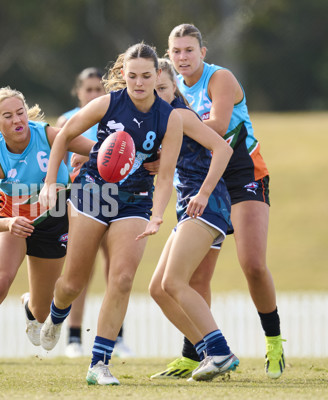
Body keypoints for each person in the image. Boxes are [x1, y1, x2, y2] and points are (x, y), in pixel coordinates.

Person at [38, 43, 183, 385]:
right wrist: (49, 183)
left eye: (147, 76)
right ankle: (57, 315)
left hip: (135, 201)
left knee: (122, 279)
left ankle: (99, 365)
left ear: (158, 75)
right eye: (132, 76)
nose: (139, 82)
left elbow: (165, 175)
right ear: (122, 75)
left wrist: (158, 215)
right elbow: (63, 138)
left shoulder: (170, 117)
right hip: (94, 193)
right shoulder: (106, 103)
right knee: (73, 283)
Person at [151, 23, 285, 380]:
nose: (182, 57)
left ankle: (273, 340)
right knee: (194, 278)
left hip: (242, 174)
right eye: (176, 51)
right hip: (202, 182)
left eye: (189, 50)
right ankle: (197, 353)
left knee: (253, 264)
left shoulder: (219, 78)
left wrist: (169, 139)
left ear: (202, 52)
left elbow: (221, 124)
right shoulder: (168, 87)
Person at [0, 87, 94, 385]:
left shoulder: (49, 134)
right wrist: (9, 223)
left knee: (40, 311)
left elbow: (100, 152)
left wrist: (111, 160)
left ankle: (29, 307)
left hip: (52, 223)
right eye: (8, 116)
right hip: (10, 222)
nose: (17, 120)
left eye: (20, 112)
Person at [148, 58, 238, 381]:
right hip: (188, 208)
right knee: (157, 289)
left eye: (162, 87)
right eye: (150, 89)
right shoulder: (161, 120)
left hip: (207, 204)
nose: (156, 93)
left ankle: (220, 351)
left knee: (173, 282)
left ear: (174, 87)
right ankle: (207, 353)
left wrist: (203, 193)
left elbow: (223, 150)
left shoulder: (181, 114)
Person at [56, 67, 132, 358]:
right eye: (88, 89)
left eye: (99, 89)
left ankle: (117, 337)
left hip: (116, 198)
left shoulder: (116, 116)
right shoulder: (68, 120)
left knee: (117, 269)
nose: (93, 94)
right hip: (81, 198)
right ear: (78, 92)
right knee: (80, 272)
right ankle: (73, 338)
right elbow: (61, 163)